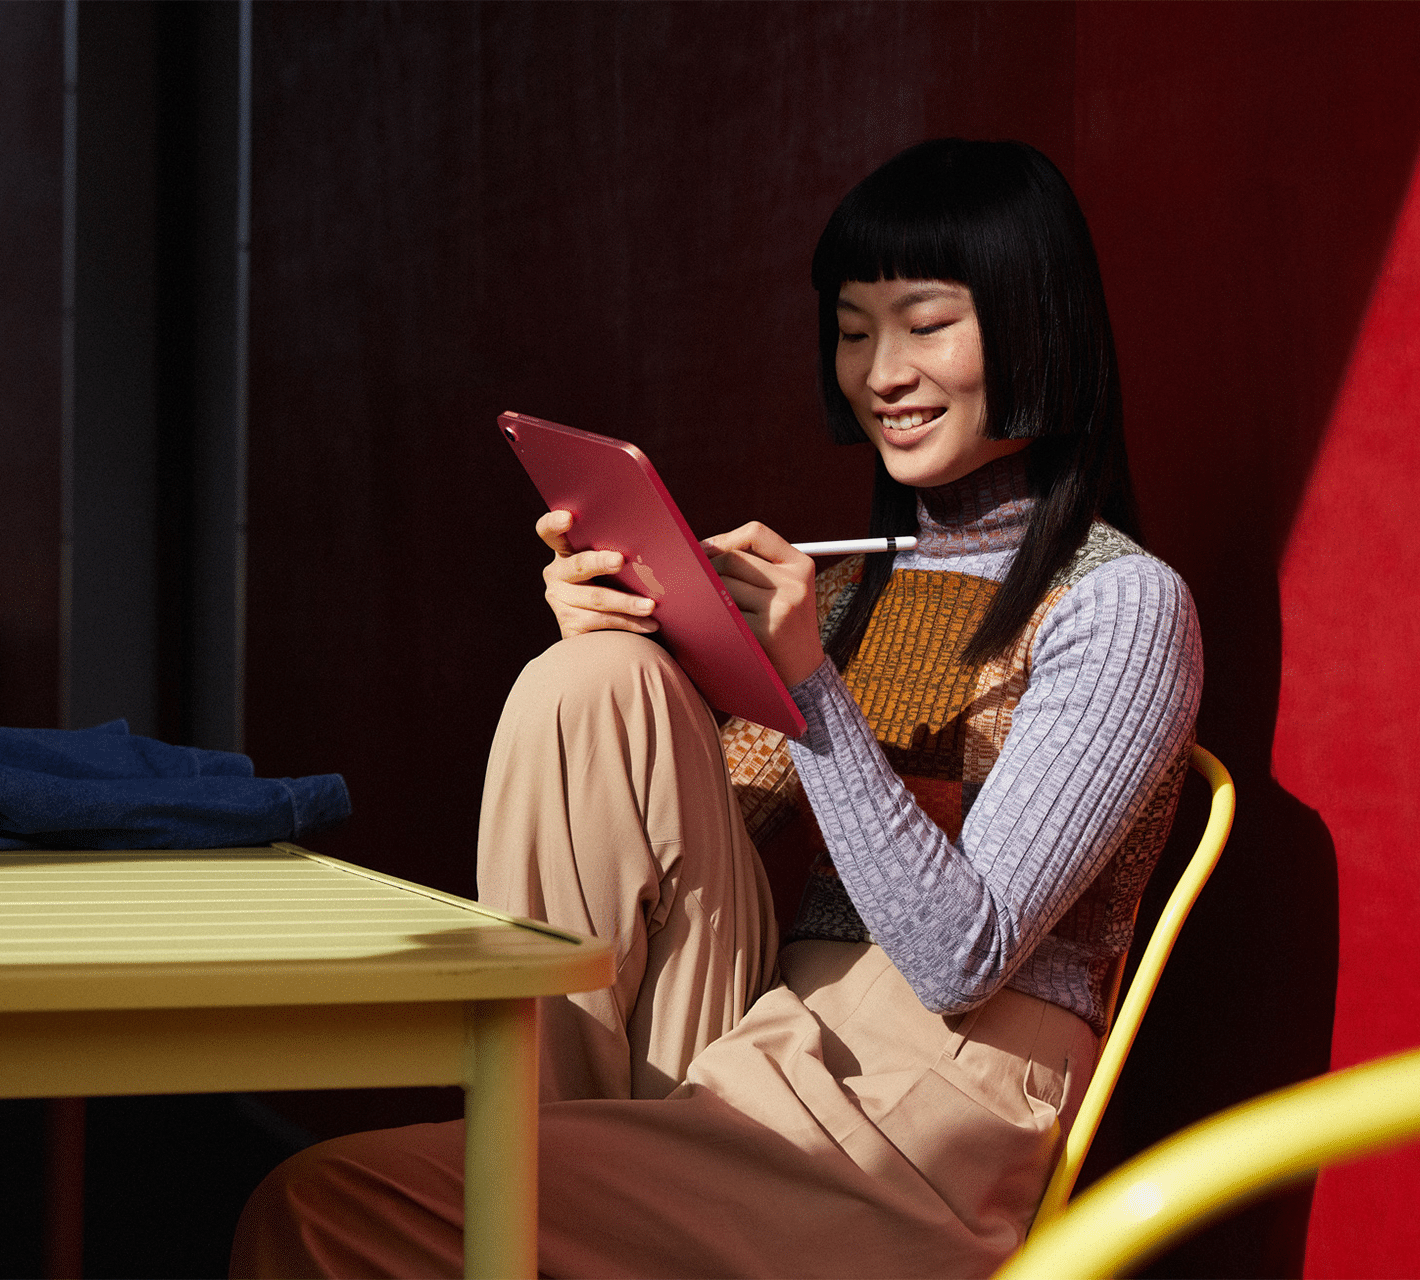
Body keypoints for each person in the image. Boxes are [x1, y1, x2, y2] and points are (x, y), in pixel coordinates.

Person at [231, 137, 1201, 1279]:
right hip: (761, 1043)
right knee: (589, 685)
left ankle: (522, 1208)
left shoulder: (1123, 601)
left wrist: (807, 685)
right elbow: (686, 845)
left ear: (1037, 323)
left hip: (925, 1116)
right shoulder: (847, 591)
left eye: (926, 323)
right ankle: (531, 1150)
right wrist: (632, 641)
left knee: (319, 1203)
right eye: (852, 332)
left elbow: (962, 956)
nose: (884, 370)